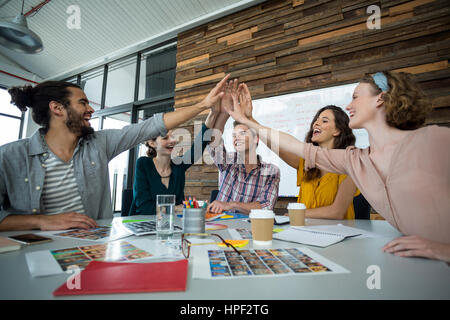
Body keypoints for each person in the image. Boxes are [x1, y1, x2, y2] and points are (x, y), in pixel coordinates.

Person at [225, 71, 450, 262]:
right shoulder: (356, 160)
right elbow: (294, 146)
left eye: (355, 97)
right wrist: (247, 120)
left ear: (380, 99)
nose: (349, 105)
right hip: (418, 266)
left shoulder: (435, 140)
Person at [0, 74, 230, 231]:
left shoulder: (99, 144)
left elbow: (151, 127)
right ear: (57, 108)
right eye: (83, 103)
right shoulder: (9, 157)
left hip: (96, 245)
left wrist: (210, 109)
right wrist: (41, 222)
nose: (91, 109)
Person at [129, 105, 222, 215]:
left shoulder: (178, 164)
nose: (173, 140)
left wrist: (213, 112)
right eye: (165, 138)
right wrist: (176, 208)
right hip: (142, 225)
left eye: (172, 136)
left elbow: (198, 147)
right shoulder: (143, 164)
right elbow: (145, 207)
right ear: (152, 143)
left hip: (172, 225)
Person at [206, 80, 280, 215]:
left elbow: (266, 206)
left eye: (242, 133)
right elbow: (214, 141)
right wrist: (225, 112)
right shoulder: (228, 162)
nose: (236, 138)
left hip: (248, 227)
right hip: (219, 224)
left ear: (256, 138)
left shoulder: (271, 171)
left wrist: (232, 204)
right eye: (234, 135)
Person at [292, 105, 359, 219]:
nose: (316, 124)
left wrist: (294, 214)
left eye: (324, 121)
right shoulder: (306, 162)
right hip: (305, 232)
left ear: (337, 130)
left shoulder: (350, 161)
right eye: (316, 120)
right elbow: (278, 145)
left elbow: (337, 212)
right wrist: (251, 120)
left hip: (338, 233)